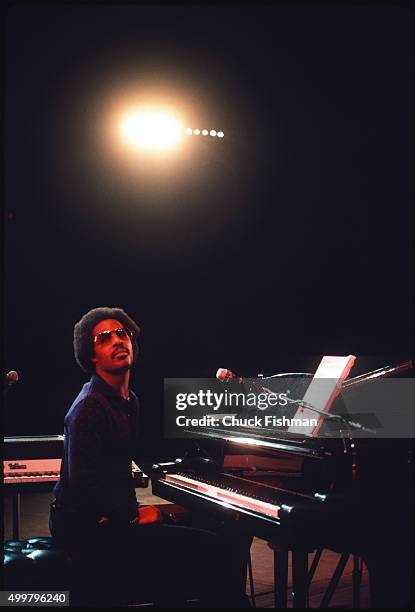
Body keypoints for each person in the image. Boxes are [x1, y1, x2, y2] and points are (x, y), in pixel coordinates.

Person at [50, 306, 251, 607]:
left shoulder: (129, 400)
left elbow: (129, 460)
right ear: (90, 355)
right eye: (104, 338)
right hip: (89, 530)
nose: (118, 340)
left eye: (122, 333)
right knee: (214, 548)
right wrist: (132, 517)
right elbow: (82, 489)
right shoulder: (90, 407)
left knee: (227, 525)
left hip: (111, 516)